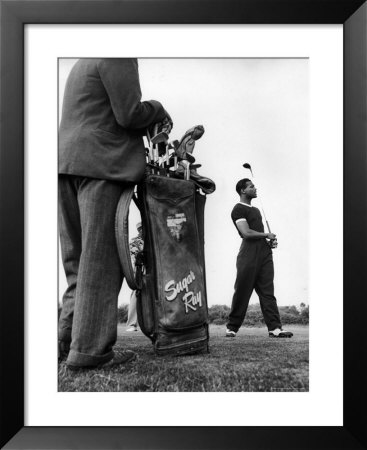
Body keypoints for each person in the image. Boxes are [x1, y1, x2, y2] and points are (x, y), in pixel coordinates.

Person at [58, 58, 172, 370]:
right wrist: (158, 108)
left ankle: (67, 346)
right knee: (101, 263)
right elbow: (129, 113)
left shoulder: (84, 59)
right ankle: (91, 354)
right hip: (102, 165)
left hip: (66, 163)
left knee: (77, 263)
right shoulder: (117, 50)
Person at [226, 178, 293, 338]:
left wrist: (268, 241)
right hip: (248, 254)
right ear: (243, 190)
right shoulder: (238, 209)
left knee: (267, 291)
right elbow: (246, 233)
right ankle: (232, 327)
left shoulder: (256, 210)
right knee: (242, 291)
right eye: (251, 186)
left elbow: (257, 233)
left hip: (264, 253)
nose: (255, 188)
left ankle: (275, 328)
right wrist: (266, 234)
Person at [126, 222, 144, 332]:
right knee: (136, 294)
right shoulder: (134, 241)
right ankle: (131, 324)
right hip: (139, 270)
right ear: (140, 230)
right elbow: (135, 257)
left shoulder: (152, 240)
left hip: (152, 270)